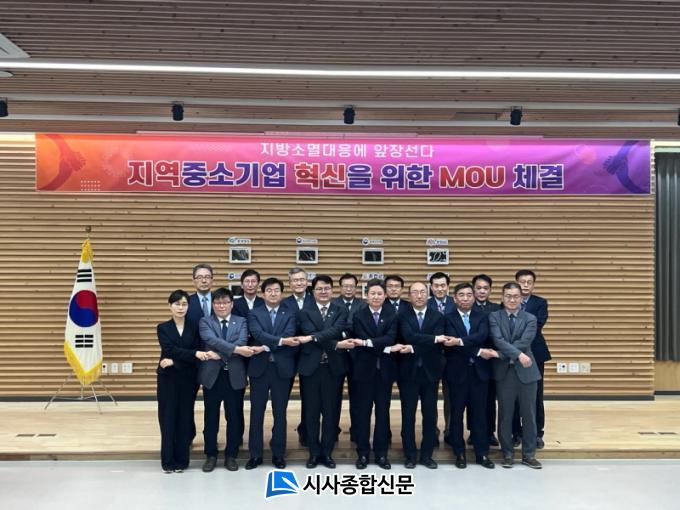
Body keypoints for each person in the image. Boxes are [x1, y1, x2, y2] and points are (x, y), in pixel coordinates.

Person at [296, 275, 351, 469]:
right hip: (310, 368)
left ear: (332, 290)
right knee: (311, 412)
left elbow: (336, 330)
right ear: (313, 291)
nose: (323, 292)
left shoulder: (340, 309)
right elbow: (314, 331)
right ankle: (313, 453)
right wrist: (335, 342)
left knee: (331, 411)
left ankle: (327, 452)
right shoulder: (304, 311)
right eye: (319, 289)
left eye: (327, 288)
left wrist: (314, 338)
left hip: (333, 368)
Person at [442, 282, 495, 469]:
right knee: (456, 415)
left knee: (480, 414)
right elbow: (450, 344)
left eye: (468, 295)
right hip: (456, 374)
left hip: (479, 374)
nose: (465, 298)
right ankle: (459, 453)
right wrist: (478, 351)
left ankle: (482, 453)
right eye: (461, 295)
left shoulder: (483, 317)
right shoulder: (447, 318)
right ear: (454, 298)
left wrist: (459, 341)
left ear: (474, 297)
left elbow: (481, 336)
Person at [246, 277, 298, 470]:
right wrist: (281, 342)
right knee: (256, 412)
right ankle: (255, 454)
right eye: (269, 290)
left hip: (281, 369)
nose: (273, 293)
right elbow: (257, 334)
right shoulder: (254, 313)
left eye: (277, 290)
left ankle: (278, 454)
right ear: (263, 293)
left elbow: (289, 334)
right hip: (259, 369)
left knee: (280, 412)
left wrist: (266, 346)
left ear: (282, 293)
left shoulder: (290, 313)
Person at [156, 289, 211, 473]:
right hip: (168, 379)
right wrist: (193, 354)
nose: (181, 308)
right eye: (177, 304)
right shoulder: (163, 327)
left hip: (188, 378)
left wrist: (176, 361)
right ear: (170, 306)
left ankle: (182, 461)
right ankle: (167, 461)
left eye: (184, 304)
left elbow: (199, 352)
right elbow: (169, 349)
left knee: (185, 417)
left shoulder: (195, 327)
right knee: (167, 417)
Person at [197, 288, 252, 472]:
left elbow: (242, 341)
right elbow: (211, 340)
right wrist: (236, 350)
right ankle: (211, 455)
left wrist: (221, 353)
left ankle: (231, 455)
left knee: (234, 417)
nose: (222, 306)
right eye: (218, 303)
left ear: (232, 304)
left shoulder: (241, 321)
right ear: (213, 305)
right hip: (212, 376)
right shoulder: (205, 321)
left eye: (225, 302)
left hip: (234, 376)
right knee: (211, 417)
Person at [488, 282, 542, 469]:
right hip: (505, 373)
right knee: (505, 414)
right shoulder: (494, 316)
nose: (512, 300)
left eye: (516, 296)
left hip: (527, 372)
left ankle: (529, 454)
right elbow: (498, 340)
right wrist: (518, 354)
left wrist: (501, 354)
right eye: (508, 296)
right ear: (502, 298)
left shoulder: (530, 318)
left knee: (529, 415)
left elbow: (525, 341)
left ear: (521, 298)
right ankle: (507, 453)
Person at [348, 279, 399, 470]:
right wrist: (383, 347)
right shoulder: (359, 315)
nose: (376, 297)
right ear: (366, 295)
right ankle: (362, 453)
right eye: (372, 293)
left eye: (379, 293)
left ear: (385, 296)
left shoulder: (392, 315)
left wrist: (368, 343)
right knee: (363, 413)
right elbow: (360, 339)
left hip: (385, 371)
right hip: (364, 371)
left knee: (383, 413)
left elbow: (390, 338)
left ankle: (381, 454)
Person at [398, 281, 445, 469]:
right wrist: (432, 339)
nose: (419, 295)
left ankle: (427, 455)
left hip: (430, 372)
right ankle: (410, 454)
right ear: (409, 295)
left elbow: (437, 344)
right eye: (415, 292)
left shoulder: (438, 316)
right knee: (408, 415)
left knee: (430, 415)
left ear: (428, 294)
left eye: (422, 292)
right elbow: (408, 336)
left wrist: (413, 348)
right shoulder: (402, 315)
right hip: (407, 372)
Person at [514, 269, 552, 449]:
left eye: (529, 282)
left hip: (535, 353)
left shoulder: (540, 302)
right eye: (522, 281)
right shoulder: (507, 302)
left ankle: (537, 433)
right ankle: (515, 432)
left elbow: (537, 325)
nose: (525, 285)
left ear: (533, 284)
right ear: (516, 283)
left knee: (536, 394)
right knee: (513, 395)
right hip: (513, 353)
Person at [280, 267, 314, 448]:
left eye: (302, 279)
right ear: (290, 283)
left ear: (307, 282)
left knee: (309, 397)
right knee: (282, 397)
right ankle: (279, 436)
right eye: (295, 280)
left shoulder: (315, 300)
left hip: (311, 353)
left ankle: (307, 431)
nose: (299, 283)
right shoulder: (283, 303)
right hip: (288, 354)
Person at [332, 272, 367, 443]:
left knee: (358, 396)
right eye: (345, 286)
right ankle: (332, 431)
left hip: (357, 356)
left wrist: (344, 329)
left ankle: (357, 431)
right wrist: (347, 329)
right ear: (340, 287)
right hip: (336, 355)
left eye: (351, 286)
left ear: (356, 287)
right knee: (333, 396)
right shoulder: (332, 304)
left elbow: (363, 326)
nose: (348, 289)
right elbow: (332, 327)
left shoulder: (363, 305)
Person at [472, 274, 501, 447]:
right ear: (473, 289)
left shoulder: (497, 308)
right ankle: (473, 432)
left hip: (491, 359)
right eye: (479, 288)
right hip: (472, 356)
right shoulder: (466, 306)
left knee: (490, 398)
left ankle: (490, 432)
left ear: (490, 290)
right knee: (472, 399)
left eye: (485, 288)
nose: (482, 291)